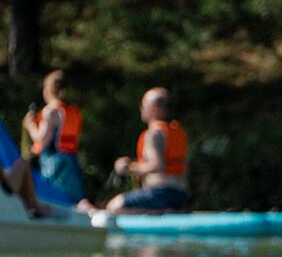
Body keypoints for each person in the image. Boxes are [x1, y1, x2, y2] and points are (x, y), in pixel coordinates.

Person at [77, 87, 189, 215]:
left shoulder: (154, 134)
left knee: (114, 206)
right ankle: (166, 211)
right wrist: (134, 163)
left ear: (154, 109)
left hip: (160, 194)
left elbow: (158, 165)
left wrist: (128, 169)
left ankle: (161, 212)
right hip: (181, 195)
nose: (141, 108)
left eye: (144, 105)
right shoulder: (177, 132)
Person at [22, 70, 87, 201]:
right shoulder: (71, 111)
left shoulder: (50, 111)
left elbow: (41, 139)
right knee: (74, 198)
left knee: (53, 197)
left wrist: (30, 125)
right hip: (71, 161)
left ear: (47, 90)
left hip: (54, 165)